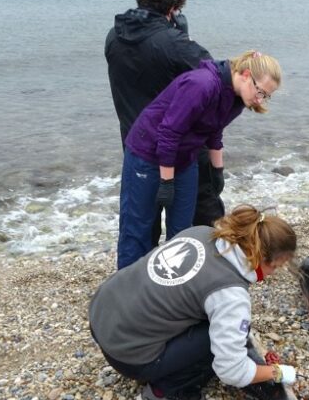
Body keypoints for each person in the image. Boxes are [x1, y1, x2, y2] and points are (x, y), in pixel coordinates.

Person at [89, 205, 298, 400]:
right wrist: (277, 372)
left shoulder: (200, 232)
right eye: (276, 267)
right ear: (260, 257)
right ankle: (164, 392)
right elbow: (231, 370)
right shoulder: (230, 294)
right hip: (127, 356)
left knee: (215, 320)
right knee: (215, 339)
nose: (273, 274)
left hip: (100, 318)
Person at [117, 50, 281, 270]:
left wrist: (217, 170)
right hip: (147, 155)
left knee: (183, 231)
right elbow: (168, 132)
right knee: (138, 229)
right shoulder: (202, 84)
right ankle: (127, 292)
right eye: (260, 91)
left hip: (185, 158)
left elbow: (214, 131)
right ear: (245, 74)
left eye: (266, 96)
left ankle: (173, 287)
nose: (259, 99)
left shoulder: (238, 98)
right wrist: (167, 182)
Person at [105, 0, 224, 245]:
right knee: (201, 222)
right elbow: (214, 78)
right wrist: (184, 37)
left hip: (136, 146)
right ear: (173, 8)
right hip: (182, 151)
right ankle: (200, 279)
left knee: (140, 226)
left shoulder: (114, 36)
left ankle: (141, 281)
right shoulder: (173, 43)